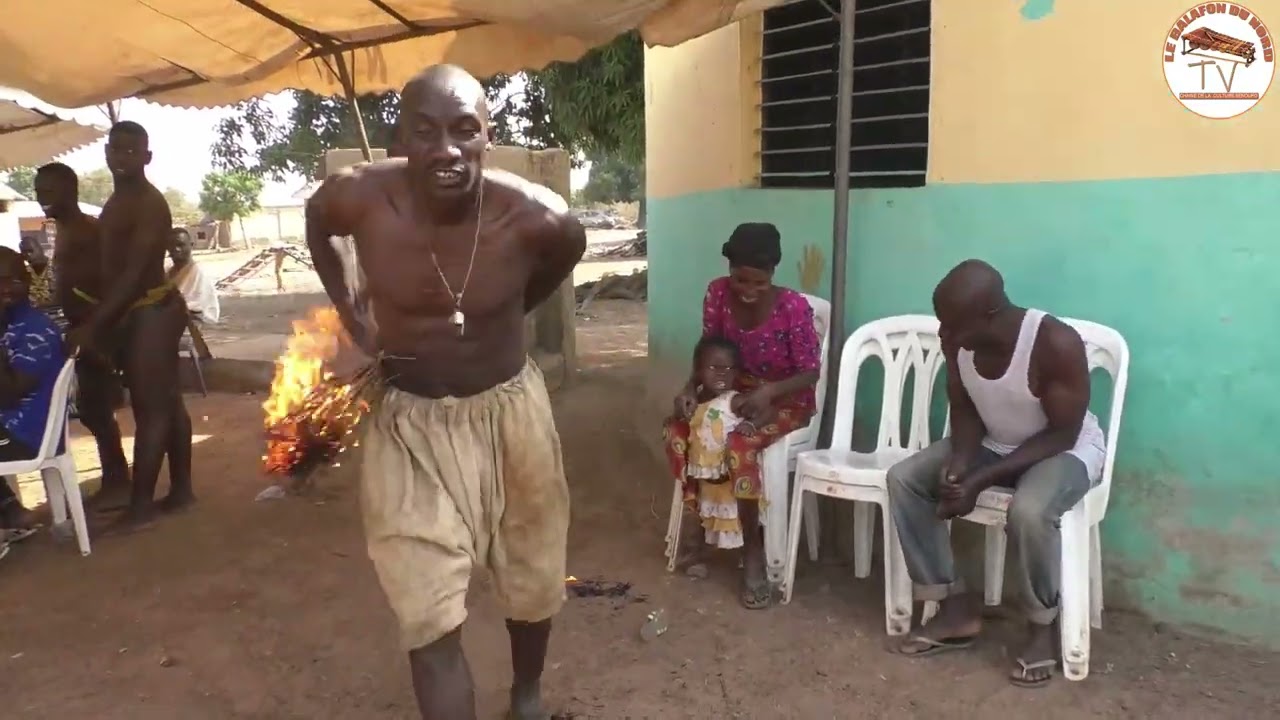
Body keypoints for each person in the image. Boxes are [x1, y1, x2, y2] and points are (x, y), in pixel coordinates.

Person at [303, 64, 586, 720]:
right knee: (426, 615)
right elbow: (318, 222)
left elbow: (563, 259)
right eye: (426, 132)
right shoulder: (360, 197)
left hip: (510, 415)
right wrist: (349, 310)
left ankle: (526, 691)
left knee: (533, 575)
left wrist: (506, 313)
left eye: (464, 132)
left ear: (488, 136)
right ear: (401, 136)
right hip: (408, 428)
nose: (446, 151)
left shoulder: (537, 218)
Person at [886, 259, 1106, 689]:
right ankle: (953, 607)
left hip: (1063, 449)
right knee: (905, 479)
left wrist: (981, 481)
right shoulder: (959, 341)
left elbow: (1062, 433)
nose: (943, 335)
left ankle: (1040, 627)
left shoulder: (1055, 343)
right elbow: (965, 406)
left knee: (1028, 511)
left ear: (989, 314)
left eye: (951, 326)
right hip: (993, 441)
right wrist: (963, 464)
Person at [663, 222, 821, 609]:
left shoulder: (793, 307)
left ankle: (752, 552)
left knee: (740, 446)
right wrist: (690, 389)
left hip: (786, 397)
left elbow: (810, 371)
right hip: (733, 391)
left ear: (773, 276)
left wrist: (769, 392)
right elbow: (709, 351)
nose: (748, 292)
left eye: (759, 283)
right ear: (728, 272)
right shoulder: (717, 294)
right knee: (680, 432)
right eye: (740, 281)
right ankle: (703, 531)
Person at [65, 121, 194, 531]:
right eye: (114, 150)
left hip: (152, 310)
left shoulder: (150, 204)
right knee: (168, 403)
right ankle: (181, 491)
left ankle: (140, 507)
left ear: (146, 156)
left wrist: (95, 325)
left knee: (151, 409)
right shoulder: (116, 202)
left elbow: (136, 273)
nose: (120, 158)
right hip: (140, 312)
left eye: (129, 151)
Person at [34, 162, 131, 511]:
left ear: (71, 191)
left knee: (98, 409)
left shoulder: (89, 231)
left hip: (96, 330)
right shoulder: (65, 230)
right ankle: (115, 479)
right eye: (39, 190)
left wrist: (96, 331)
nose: (42, 197)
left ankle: (119, 483)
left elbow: (111, 284)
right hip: (82, 329)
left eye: (49, 190)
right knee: (93, 410)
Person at [0, 247, 68, 547]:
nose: (3, 289)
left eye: (10, 280)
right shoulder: (10, 324)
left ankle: (9, 514)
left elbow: (11, 394)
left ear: (26, 281)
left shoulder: (35, 329)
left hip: (27, 432)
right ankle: (11, 512)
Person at [681, 336, 765, 557]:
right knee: (709, 515)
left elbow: (768, 412)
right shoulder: (694, 402)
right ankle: (700, 555)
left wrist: (751, 423)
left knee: (736, 518)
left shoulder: (733, 401)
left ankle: (746, 556)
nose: (721, 374)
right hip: (705, 479)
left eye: (728, 368)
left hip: (730, 480)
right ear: (698, 372)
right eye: (713, 367)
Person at [167, 228, 221, 324]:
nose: (176, 249)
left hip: (191, 324)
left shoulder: (200, 273)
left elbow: (203, 307)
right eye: (172, 246)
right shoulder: (167, 272)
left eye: (181, 245)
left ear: (191, 245)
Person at [18, 235, 55, 310]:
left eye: (30, 251)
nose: (28, 255)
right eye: (24, 252)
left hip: (60, 316)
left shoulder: (57, 268)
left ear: (40, 249)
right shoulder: (23, 274)